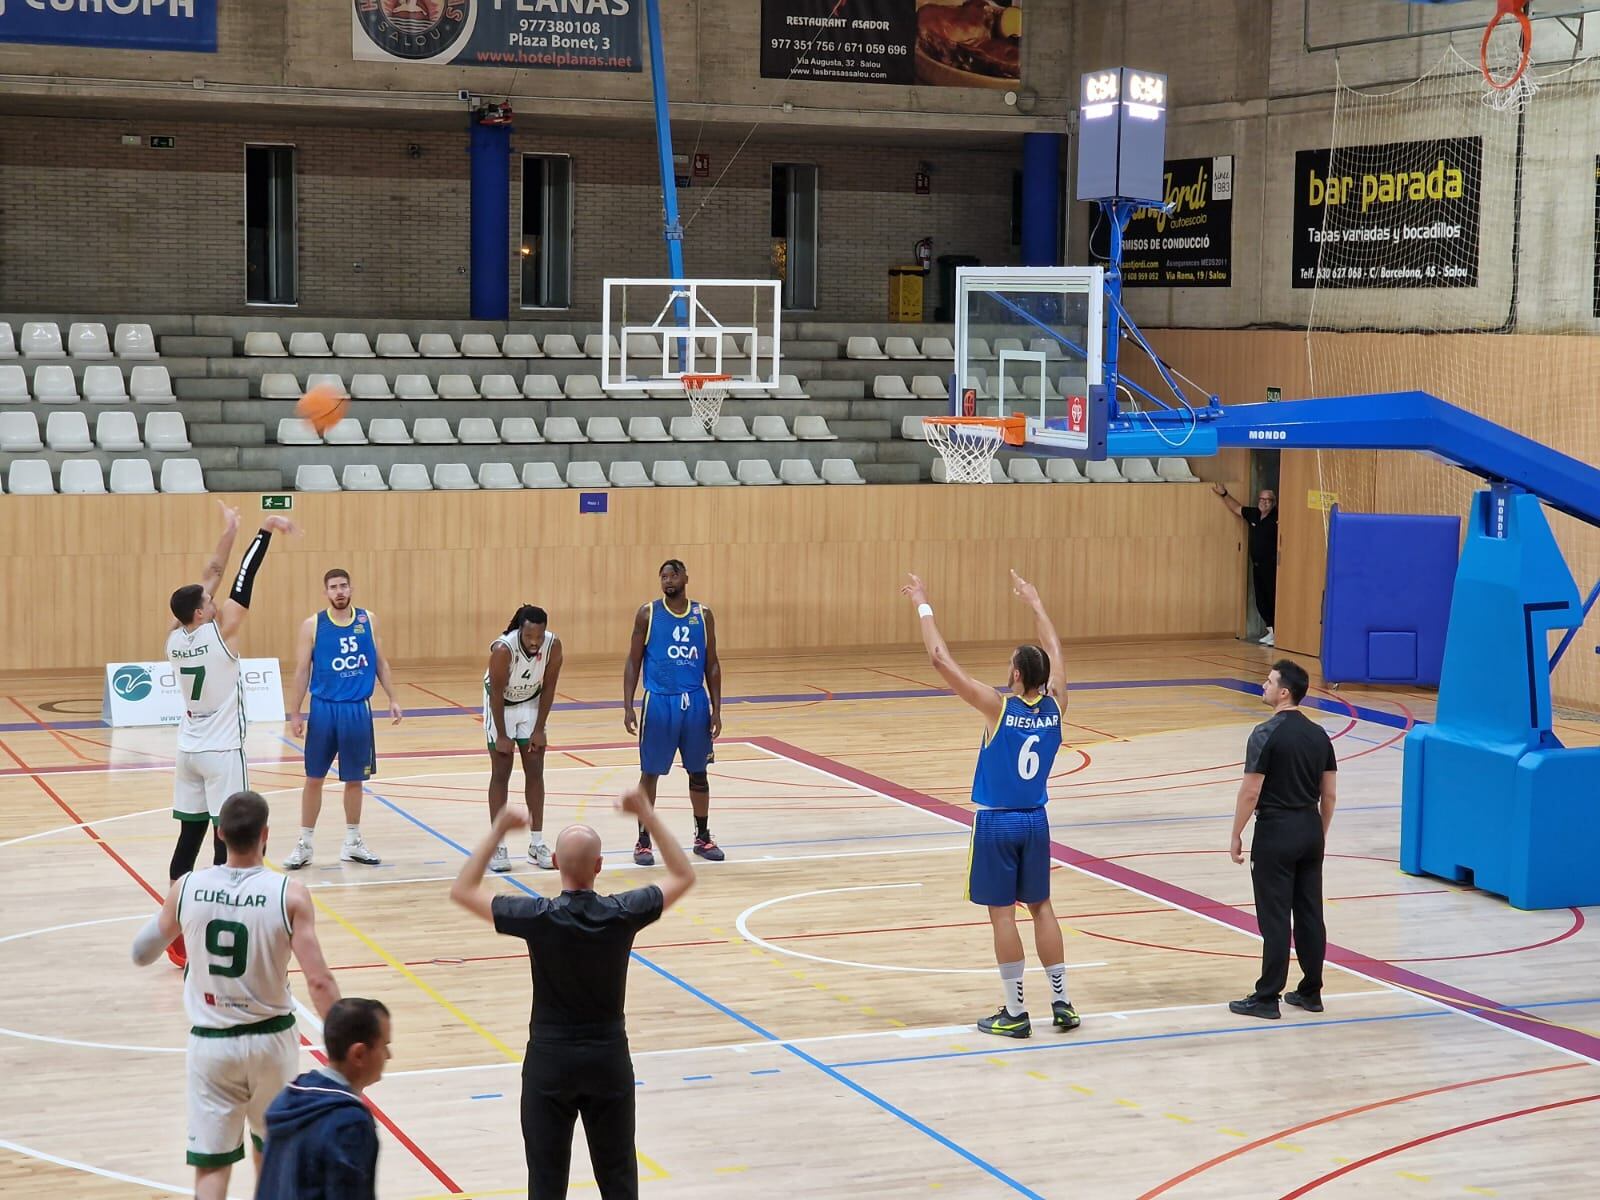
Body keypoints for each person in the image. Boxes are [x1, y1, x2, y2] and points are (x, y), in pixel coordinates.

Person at [450, 790, 695, 1200]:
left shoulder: (538, 917)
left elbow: (463, 889)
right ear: (599, 866)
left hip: (549, 1062)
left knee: (545, 1183)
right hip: (608, 1060)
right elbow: (683, 875)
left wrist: (498, 831)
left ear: (555, 862)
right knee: (619, 1180)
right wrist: (646, 814)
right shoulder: (623, 913)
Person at [130, 790, 340, 1200]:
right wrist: (339, 1051)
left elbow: (141, 953)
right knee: (272, 1158)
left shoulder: (189, 887)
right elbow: (319, 982)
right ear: (265, 834)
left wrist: (178, 918)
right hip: (273, 1042)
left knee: (212, 1168)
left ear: (220, 833)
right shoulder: (290, 893)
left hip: (211, 1044)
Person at [902, 569, 1079, 1039]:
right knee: (1041, 907)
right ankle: (1062, 1003)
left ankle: (1015, 1012)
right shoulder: (1059, 705)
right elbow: (1057, 652)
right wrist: (1036, 603)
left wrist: (923, 602)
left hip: (998, 824)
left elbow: (941, 659)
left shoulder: (998, 708)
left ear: (1016, 674)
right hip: (1037, 821)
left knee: (1002, 914)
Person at [162, 502, 297, 968]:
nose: (213, 601)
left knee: (187, 841)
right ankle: (222, 924)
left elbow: (213, 572)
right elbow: (241, 581)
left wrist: (229, 529)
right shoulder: (221, 633)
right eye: (207, 603)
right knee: (228, 843)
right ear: (201, 614)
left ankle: (177, 935)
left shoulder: (175, 638)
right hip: (222, 752)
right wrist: (262, 532)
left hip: (189, 749)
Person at [1227, 659, 1338, 1021]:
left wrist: (1236, 833)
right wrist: (1317, 832)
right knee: (1309, 913)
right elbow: (1330, 794)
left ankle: (1267, 996)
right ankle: (1311, 991)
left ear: (1284, 692)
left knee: (1274, 917)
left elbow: (1251, 791)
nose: (1264, 685)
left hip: (1276, 831)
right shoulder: (1320, 735)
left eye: (1269, 681)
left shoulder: (1265, 732)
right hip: (1308, 827)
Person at [283, 568, 404, 869]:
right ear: (325, 592)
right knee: (314, 778)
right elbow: (301, 671)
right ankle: (305, 843)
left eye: (343, 586)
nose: (339, 591)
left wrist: (393, 697)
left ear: (351, 589)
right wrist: (295, 711)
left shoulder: (368, 620)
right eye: (333, 587)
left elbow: (380, 663)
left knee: (354, 779)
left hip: (356, 709)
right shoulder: (313, 625)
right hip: (324, 709)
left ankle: (353, 841)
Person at [621, 559, 724, 866]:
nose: (668, 580)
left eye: (673, 575)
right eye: (663, 576)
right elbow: (632, 661)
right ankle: (643, 841)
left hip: (694, 702)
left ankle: (702, 836)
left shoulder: (702, 615)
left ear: (685, 578)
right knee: (649, 773)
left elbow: (713, 663)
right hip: (659, 703)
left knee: (699, 772)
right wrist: (628, 704)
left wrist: (717, 709)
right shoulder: (648, 613)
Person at [256, 997, 391, 1200]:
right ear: (359, 1054)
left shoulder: (286, 1099)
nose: (389, 1055)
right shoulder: (350, 1123)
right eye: (384, 1046)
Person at [484, 604, 564, 873]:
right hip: (501, 706)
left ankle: (536, 843)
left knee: (535, 770)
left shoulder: (553, 646)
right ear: (521, 630)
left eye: (539, 637)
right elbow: (496, 693)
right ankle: (498, 845)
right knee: (501, 772)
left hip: (530, 703)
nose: (534, 642)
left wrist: (540, 728)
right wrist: (502, 734)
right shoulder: (503, 650)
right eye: (529, 637)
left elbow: (550, 686)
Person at [1213, 483, 1278, 646]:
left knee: (1272, 598)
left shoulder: (1278, 517)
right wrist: (1224, 494)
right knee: (1260, 600)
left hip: (1272, 566)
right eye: (1261, 499)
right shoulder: (1254, 514)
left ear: (1273, 502)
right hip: (1257, 566)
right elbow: (1237, 508)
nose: (1264, 502)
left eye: (1268, 500)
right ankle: (1271, 630)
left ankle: (1279, 631)